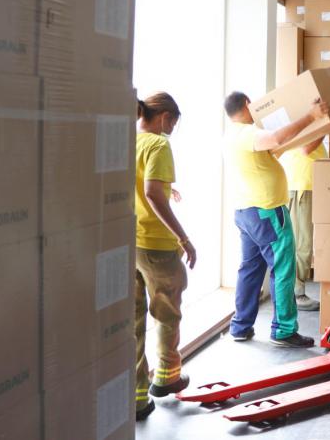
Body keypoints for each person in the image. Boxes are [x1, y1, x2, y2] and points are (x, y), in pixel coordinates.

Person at [224, 91, 330, 347]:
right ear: (248, 105)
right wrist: (311, 116)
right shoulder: (249, 132)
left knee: (250, 269)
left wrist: (310, 124)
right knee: (283, 269)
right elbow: (273, 137)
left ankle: (241, 326)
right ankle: (283, 330)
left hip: (246, 212)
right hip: (267, 211)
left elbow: (275, 148)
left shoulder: (231, 136)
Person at [134, 92, 197, 420]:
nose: (173, 126)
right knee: (167, 312)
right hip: (157, 245)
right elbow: (151, 193)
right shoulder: (158, 145)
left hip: (129, 242)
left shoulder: (131, 141)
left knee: (133, 320)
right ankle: (167, 377)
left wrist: (162, 191)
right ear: (164, 116)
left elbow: (140, 187)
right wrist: (183, 238)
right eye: (173, 120)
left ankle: (137, 396)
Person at [280, 138, 327, 311]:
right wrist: (325, 128)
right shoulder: (303, 116)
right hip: (302, 184)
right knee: (302, 243)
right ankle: (296, 293)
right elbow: (306, 148)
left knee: (303, 242)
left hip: (305, 184)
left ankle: (295, 291)